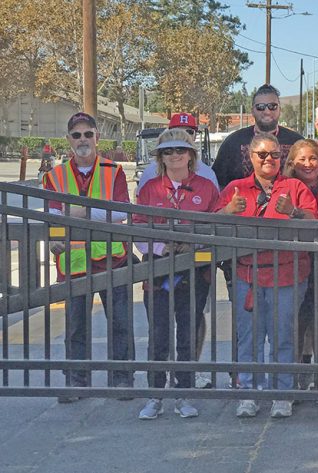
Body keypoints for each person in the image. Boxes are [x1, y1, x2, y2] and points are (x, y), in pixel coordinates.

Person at [215, 132, 318, 419]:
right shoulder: (237, 189)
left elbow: (315, 221)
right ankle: (249, 394)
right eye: (262, 155)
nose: (269, 160)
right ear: (251, 157)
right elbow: (211, 224)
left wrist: (294, 211)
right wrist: (228, 211)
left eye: (274, 154)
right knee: (249, 338)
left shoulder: (295, 187)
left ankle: (281, 394)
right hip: (247, 275)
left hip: (287, 276)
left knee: (284, 336)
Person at [43, 112, 135, 402]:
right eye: (76, 135)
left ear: (97, 137)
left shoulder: (114, 170)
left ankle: (122, 380)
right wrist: (94, 212)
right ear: (68, 140)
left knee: (120, 324)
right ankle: (76, 381)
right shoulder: (54, 176)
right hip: (74, 263)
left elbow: (122, 211)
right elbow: (53, 214)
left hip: (112, 258)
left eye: (88, 134)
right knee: (75, 326)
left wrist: (78, 212)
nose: (82, 139)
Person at [134, 128, 219, 420]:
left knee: (187, 335)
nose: (174, 156)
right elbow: (136, 228)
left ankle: (184, 395)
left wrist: (190, 244)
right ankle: (155, 395)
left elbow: (215, 227)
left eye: (180, 150)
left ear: (191, 155)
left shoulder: (207, 187)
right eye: (168, 151)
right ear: (160, 157)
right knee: (158, 336)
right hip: (157, 271)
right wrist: (161, 247)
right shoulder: (149, 189)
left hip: (194, 271)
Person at [282, 139, 318, 386]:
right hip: (296, 262)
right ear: (291, 163)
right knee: (299, 318)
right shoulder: (284, 189)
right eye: (302, 159)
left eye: (313, 158)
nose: (308, 164)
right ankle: (299, 372)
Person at [212, 84, 303, 188]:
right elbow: (218, 183)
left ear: (280, 109)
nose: (267, 111)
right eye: (260, 107)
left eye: (272, 106)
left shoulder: (297, 142)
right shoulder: (233, 142)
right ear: (252, 111)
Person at [136, 112, 219, 194]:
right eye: (177, 131)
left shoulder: (207, 173)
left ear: (195, 135)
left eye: (189, 131)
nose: (183, 135)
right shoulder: (150, 171)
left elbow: (215, 205)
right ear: (169, 133)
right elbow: (141, 204)